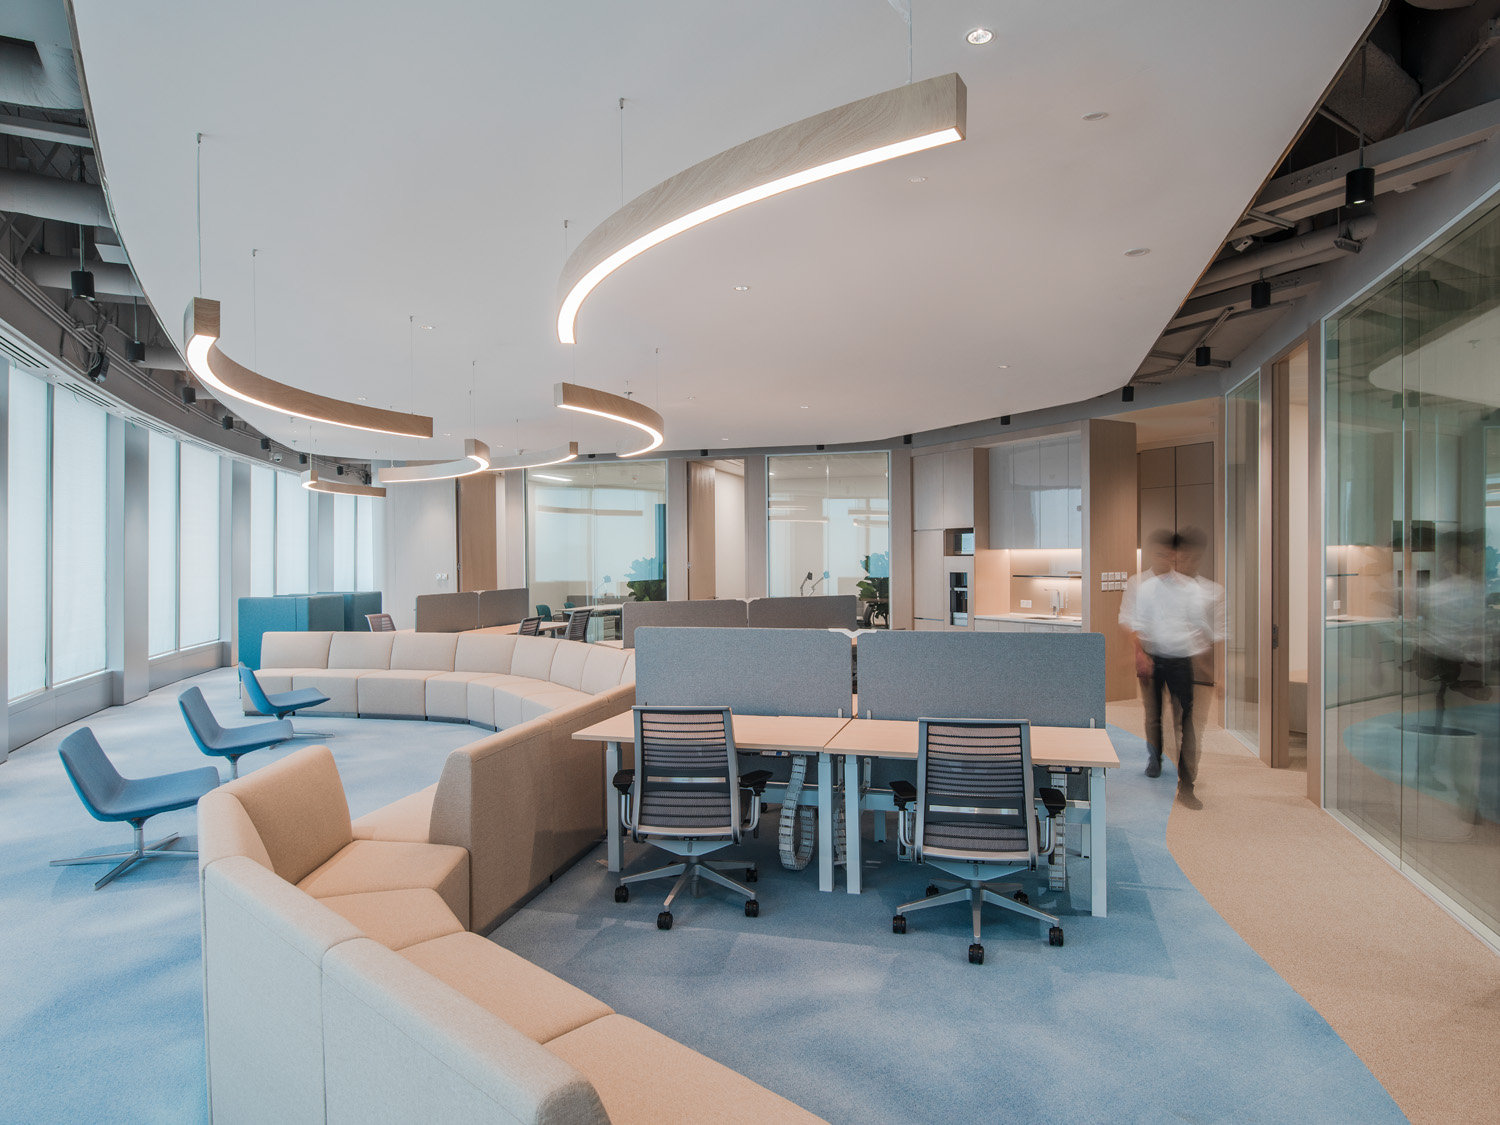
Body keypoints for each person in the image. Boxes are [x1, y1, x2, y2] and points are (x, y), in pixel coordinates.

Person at [1120, 529, 1222, 804]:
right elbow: (1138, 624)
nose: (1166, 559)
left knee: (1185, 722)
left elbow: (1200, 627)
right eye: (1160, 554)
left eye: (1169, 555)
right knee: (1153, 716)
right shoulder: (1146, 588)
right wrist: (1141, 656)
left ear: (1174, 556)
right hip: (1154, 660)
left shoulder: (1190, 589)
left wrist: (1211, 669)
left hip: (1181, 662)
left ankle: (1187, 784)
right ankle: (1155, 758)